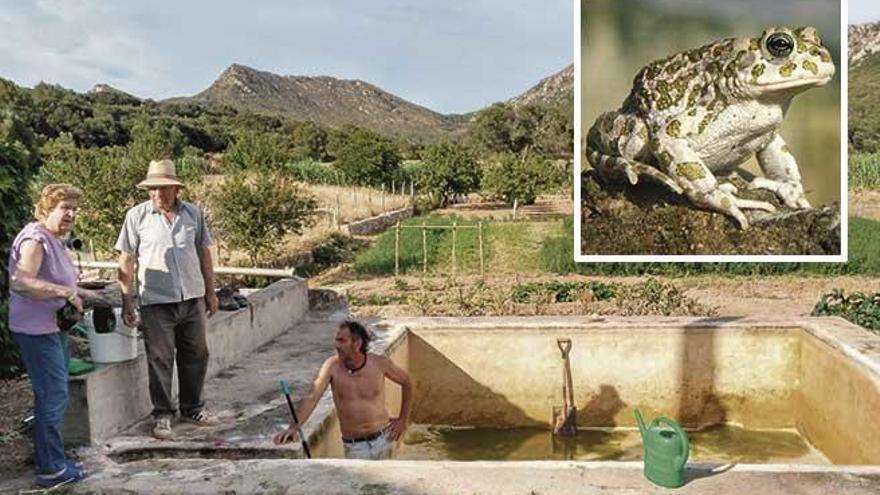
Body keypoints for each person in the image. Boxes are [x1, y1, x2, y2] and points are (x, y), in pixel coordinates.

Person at [115, 159, 220, 439]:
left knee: (196, 354)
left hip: (192, 297)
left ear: (176, 189)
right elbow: (126, 262)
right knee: (160, 358)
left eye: (164, 188)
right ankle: (163, 415)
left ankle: (193, 407)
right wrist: (127, 300)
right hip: (156, 302)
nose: (158, 194)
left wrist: (210, 292)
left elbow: (204, 255)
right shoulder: (136, 217)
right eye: (153, 189)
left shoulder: (193, 214)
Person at [8, 184, 99, 487]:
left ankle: (53, 458)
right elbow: (21, 282)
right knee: (54, 396)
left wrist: (87, 293)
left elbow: (60, 283)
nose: (71, 213)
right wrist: (64, 291)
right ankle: (51, 469)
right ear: (47, 208)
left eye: (74, 208)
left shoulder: (54, 240)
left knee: (51, 395)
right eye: (64, 207)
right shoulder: (35, 239)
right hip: (36, 330)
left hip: (51, 327)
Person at [273, 320, 413, 460]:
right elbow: (312, 397)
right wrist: (293, 427)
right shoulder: (332, 366)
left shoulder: (379, 363)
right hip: (355, 446)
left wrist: (403, 420)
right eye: (336, 340)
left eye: (342, 341)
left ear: (357, 344)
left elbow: (407, 382)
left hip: (384, 439)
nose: (336, 345)